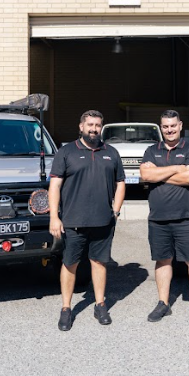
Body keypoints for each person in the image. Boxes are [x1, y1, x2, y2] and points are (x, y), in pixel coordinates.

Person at [49, 110, 126, 331]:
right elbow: (55, 185)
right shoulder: (66, 152)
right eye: (90, 125)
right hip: (73, 221)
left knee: (99, 262)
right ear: (81, 127)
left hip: (103, 221)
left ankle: (100, 305)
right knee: (70, 263)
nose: (94, 129)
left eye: (97, 125)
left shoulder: (111, 153)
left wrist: (115, 211)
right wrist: (54, 217)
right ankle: (66, 308)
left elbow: (120, 183)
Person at [139, 110, 189, 328]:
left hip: (186, 217)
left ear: (180, 125)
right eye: (165, 126)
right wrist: (175, 169)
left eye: (173, 125)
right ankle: (163, 303)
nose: (169, 130)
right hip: (158, 218)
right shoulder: (151, 150)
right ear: (161, 127)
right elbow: (145, 175)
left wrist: (159, 174)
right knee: (162, 260)